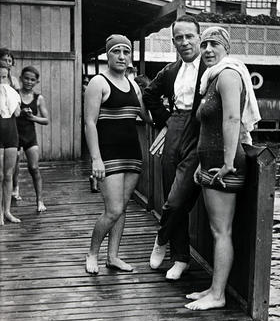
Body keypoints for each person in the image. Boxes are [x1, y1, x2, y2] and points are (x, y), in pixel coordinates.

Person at [185, 26, 261, 310]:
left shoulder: (228, 75)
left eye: (214, 44)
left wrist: (228, 163)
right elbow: (208, 126)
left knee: (221, 231)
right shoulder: (212, 78)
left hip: (224, 165)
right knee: (218, 230)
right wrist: (201, 165)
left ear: (226, 48)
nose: (207, 49)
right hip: (211, 162)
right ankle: (213, 289)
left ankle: (218, 295)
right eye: (203, 44)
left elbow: (231, 119)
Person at [143, 14, 206, 280]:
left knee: (177, 198)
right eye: (179, 38)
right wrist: (166, 120)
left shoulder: (212, 67)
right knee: (170, 190)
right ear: (173, 42)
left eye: (189, 36)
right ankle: (180, 258)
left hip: (199, 132)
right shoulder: (170, 71)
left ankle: (161, 238)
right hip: (174, 129)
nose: (184, 42)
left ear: (199, 38)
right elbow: (148, 94)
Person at [85, 34, 152, 275]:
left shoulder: (134, 85)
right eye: (116, 51)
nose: (121, 56)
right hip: (108, 155)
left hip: (132, 154)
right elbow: (90, 123)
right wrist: (96, 159)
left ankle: (113, 256)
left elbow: (146, 117)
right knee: (112, 210)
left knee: (122, 209)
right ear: (108, 54)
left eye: (126, 52)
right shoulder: (98, 83)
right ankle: (92, 253)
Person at [14, 66, 48, 212]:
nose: (29, 81)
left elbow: (46, 120)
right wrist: (20, 112)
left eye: (32, 80)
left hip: (29, 136)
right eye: (26, 78)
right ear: (21, 78)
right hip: (13, 135)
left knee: (33, 168)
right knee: (12, 167)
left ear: (37, 82)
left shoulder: (38, 98)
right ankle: (15, 188)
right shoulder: (14, 94)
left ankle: (40, 201)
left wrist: (32, 117)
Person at [0, 61, 21, 225]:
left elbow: (18, 113)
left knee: (8, 175)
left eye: (4, 77)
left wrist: (11, 95)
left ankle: (7, 211)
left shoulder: (12, 93)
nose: (1, 80)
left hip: (11, 135)